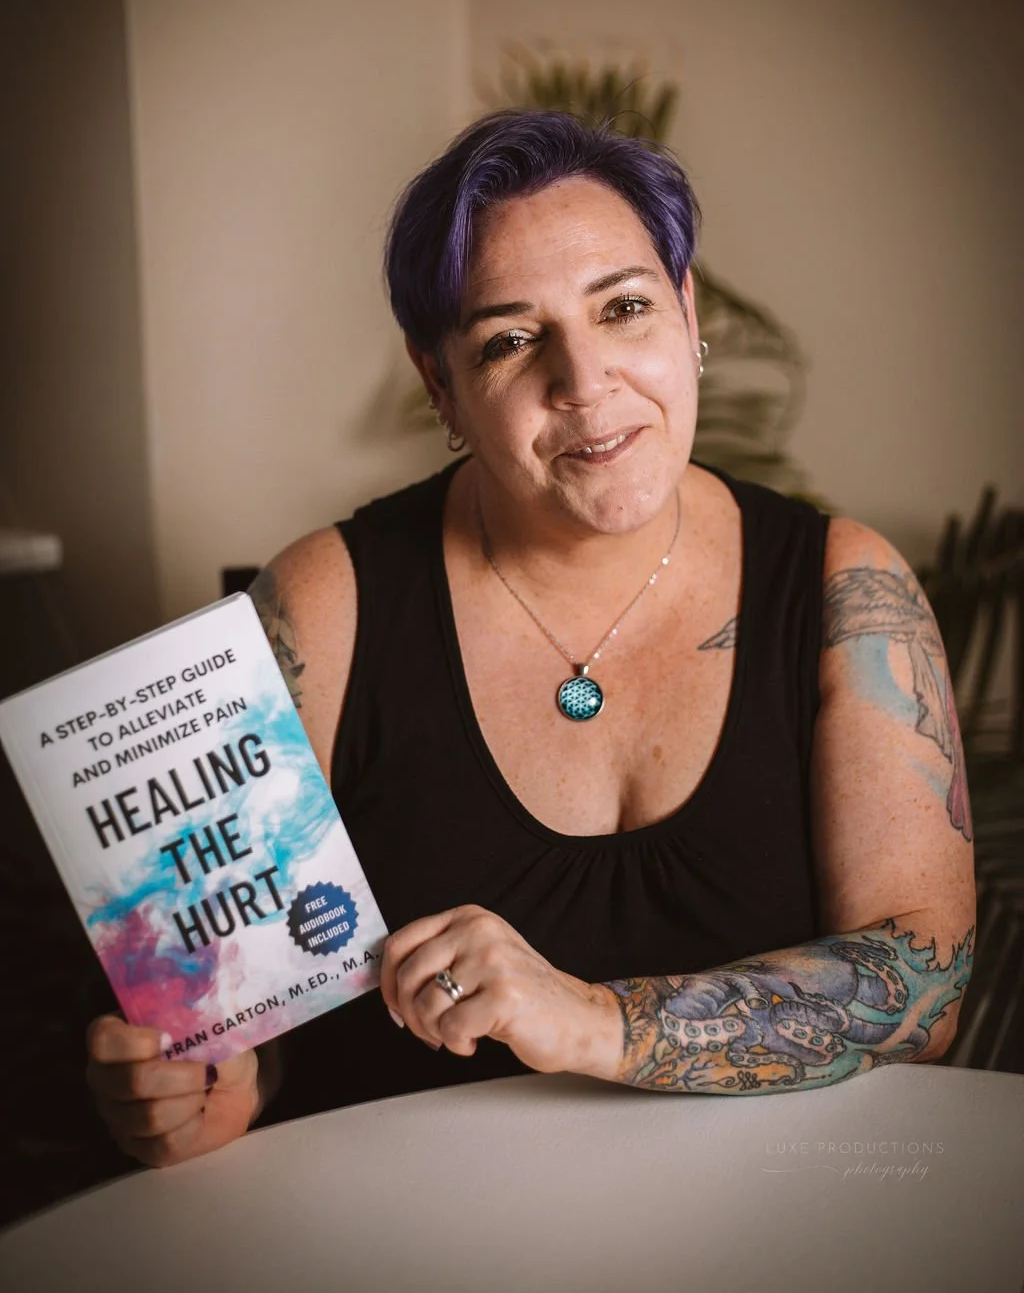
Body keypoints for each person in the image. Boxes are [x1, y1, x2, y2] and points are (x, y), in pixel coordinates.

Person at [86, 110, 975, 1166]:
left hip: (778, 1219)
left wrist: (592, 1021)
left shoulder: (843, 589)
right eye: (510, 339)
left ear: (688, 315)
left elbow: (917, 990)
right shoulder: (325, 604)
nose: (585, 381)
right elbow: (236, 1024)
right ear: (440, 387)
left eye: (625, 309)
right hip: (408, 1233)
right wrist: (204, 1089)